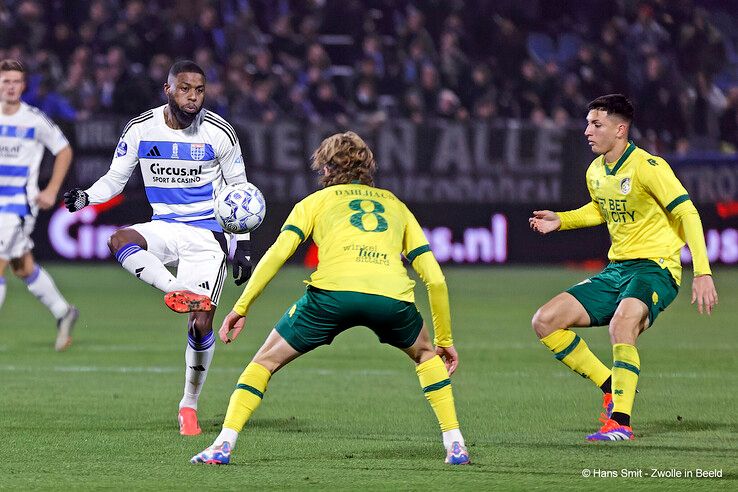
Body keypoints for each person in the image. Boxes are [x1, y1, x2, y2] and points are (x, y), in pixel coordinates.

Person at [187, 131, 470, 465]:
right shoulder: (396, 206)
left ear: (325, 168)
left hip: (331, 296)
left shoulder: (314, 203)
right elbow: (435, 279)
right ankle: (455, 443)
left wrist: (242, 306)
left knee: (263, 362)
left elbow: (278, 255)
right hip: (391, 297)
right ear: (369, 167)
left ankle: (223, 445)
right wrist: (445, 340)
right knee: (425, 356)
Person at [63, 60, 253, 436]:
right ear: (168, 89)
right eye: (185, 89)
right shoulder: (140, 128)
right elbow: (115, 180)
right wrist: (86, 197)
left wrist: (242, 246)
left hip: (206, 234)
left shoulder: (220, 133)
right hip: (164, 225)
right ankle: (176, 291)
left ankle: (189, 405)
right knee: (119, 239)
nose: (193, 97)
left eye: (199, 90)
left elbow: (240, 194)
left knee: (200, 325)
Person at [529, 94, 718, 441]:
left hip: (655, 268)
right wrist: (563, 220)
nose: (587, 130)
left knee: (622, 324)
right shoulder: (596, 171)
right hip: (617, 270)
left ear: (620, 129)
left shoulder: (649, 167)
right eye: (587, 123)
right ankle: (610, 384)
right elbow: (599, 210)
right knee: (545, 321)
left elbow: (687, 212)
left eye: (596, 124)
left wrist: (702, 271)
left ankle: (620, 422)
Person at [0, 59, 78, 351]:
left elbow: (64, 150)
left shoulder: (33, 120)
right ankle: (63, 312)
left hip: (18, 206)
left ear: (23, 86)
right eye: (5, 81)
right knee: (22, 267)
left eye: (15, 82)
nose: (10, 87)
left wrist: (52, 189)